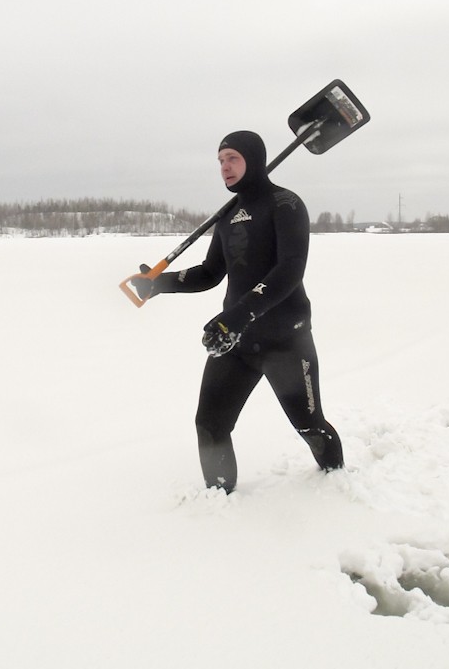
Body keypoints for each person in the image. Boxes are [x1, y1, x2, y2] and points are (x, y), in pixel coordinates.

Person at [132, 130, 343, 493]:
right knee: (210, 424)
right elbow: (210, 273)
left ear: (253, 160)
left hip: (285, 340)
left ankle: (338, 486)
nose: (224, 167)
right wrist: (158, 284)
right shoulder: (228, 215)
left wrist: (238, 315)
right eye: (220, 161)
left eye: (232, 158)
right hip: (237, 340)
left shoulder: (286, 204)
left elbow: (290, 270)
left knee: (309, 425)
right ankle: (218, 499)